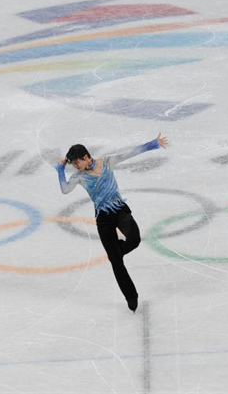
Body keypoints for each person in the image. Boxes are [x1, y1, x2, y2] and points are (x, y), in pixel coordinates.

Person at [55, 133, 168, 312]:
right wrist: (60, 171)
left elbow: (130, 153)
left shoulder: (106, 162)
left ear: (86, 157)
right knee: (116, 262)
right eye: (74, 165)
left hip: (120, 210)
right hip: (103, 219)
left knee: (134, 240)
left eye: (77, 163)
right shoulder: (79, 177)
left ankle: (116, 253)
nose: (76, 167)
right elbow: (65, 189)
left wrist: (153, 144)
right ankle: (131, 296)